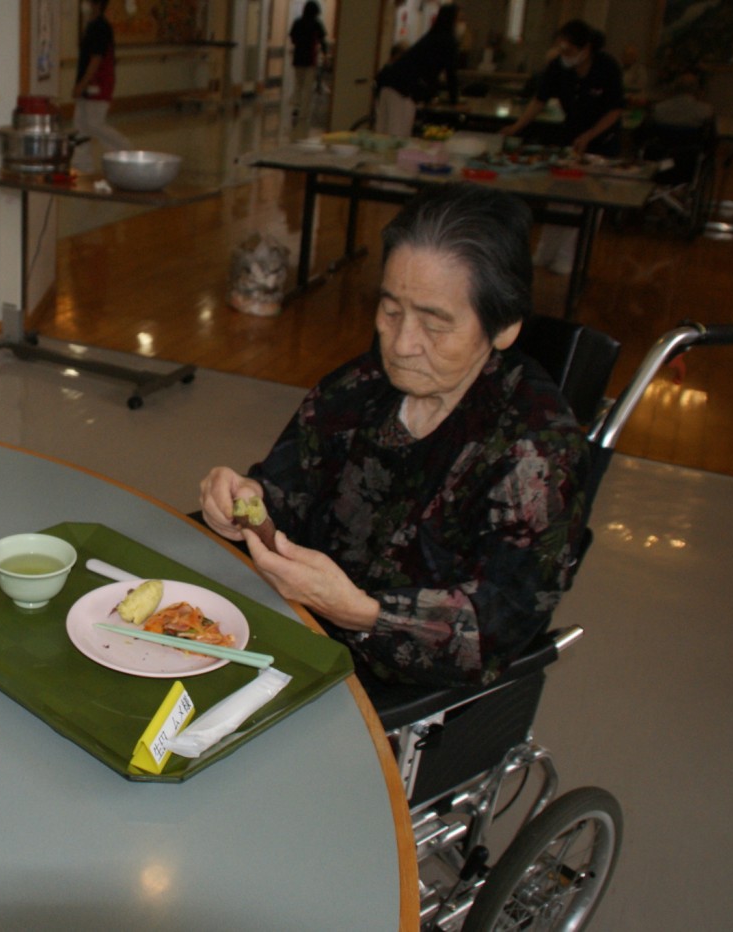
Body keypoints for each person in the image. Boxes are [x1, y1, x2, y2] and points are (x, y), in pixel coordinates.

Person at [198, 184, 589, 689]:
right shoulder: (361, 386)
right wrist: (248, 501)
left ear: (505, 327)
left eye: (434, 323)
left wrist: (360, 612)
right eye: (390, 310)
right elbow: (289, 487)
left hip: (394, 680)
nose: (401, 344)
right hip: (292, 623)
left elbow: (494, 627)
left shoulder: (537, 452)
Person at [500, 19, 624, 275]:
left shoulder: (607, 67)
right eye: (562, 49)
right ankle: (546, 252)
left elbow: (615, 110)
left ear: (586, 49)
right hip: (571, 140)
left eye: (569, 50)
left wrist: (590, 135)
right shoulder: (558, 67)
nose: (564, 55)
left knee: (588, 201)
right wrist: (516, 127)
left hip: (602, 143)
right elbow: (539, 101)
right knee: (560, 198)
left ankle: (570, 257)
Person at [374, 3, 460, 138]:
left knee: (381, 135)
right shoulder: (447, 40)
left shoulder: (431, 36)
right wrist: (455, 101)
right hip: (403, 90)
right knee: (398, 137)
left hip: (388, 83)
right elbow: (451, 74)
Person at [72, 0, 132, 172]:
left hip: (98, 84)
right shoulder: (92, 26)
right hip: (88, 85)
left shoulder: (100, 27)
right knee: (81, 124)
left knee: (94, 123)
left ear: (97, 5)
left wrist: (82, 84)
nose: (85, 5)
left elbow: (96, 59)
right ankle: (82, 164)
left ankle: (124, 148)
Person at [288, 2, 328, 139]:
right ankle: (304, 113)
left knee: (298, 84)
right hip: (310, 59)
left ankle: (296, 107)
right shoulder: (317, 24)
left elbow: (293, 39)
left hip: (298, 58)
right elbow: (323, 41)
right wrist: (325, 54)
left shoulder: (297, 22)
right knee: (307, 87)